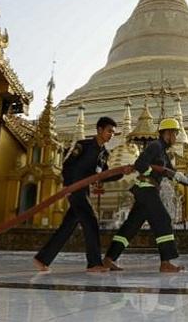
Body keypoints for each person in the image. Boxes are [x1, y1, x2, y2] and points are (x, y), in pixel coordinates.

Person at [33, 117, 132, 273]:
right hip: (75, 189)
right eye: (109, 131)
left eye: (113, 132)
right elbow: (67, 165)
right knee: (91, 221)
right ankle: (93, 263)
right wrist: (68, 186)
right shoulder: (83, 146)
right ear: (99, 130)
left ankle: (42, 259)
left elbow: (103, 175)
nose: (111, 135)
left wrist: (121, 173)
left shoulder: (104, 154)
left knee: (67, 227)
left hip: (84, 191)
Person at [103, 118, 188, 273]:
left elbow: (172, 173)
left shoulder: (164, 153)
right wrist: (154, 172)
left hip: (147, 191)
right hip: (146, 189)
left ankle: (108, 259)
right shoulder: (155, 146)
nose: (175, 138)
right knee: (163, 219)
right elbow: (140, 164)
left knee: (131, 226)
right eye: (174, 134)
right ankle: (165, 262)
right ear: (167, 134)